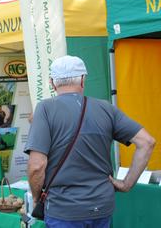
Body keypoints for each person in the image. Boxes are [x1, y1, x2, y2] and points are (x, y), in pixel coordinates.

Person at [25, 55, 155, 228]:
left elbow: (37, 166)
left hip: (63, 209)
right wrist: (126, 184)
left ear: (52, 82)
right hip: (101, 206)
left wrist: (35, 197)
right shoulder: (106, 108)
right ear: (83, 80)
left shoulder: (45, 108)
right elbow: (147, 142)